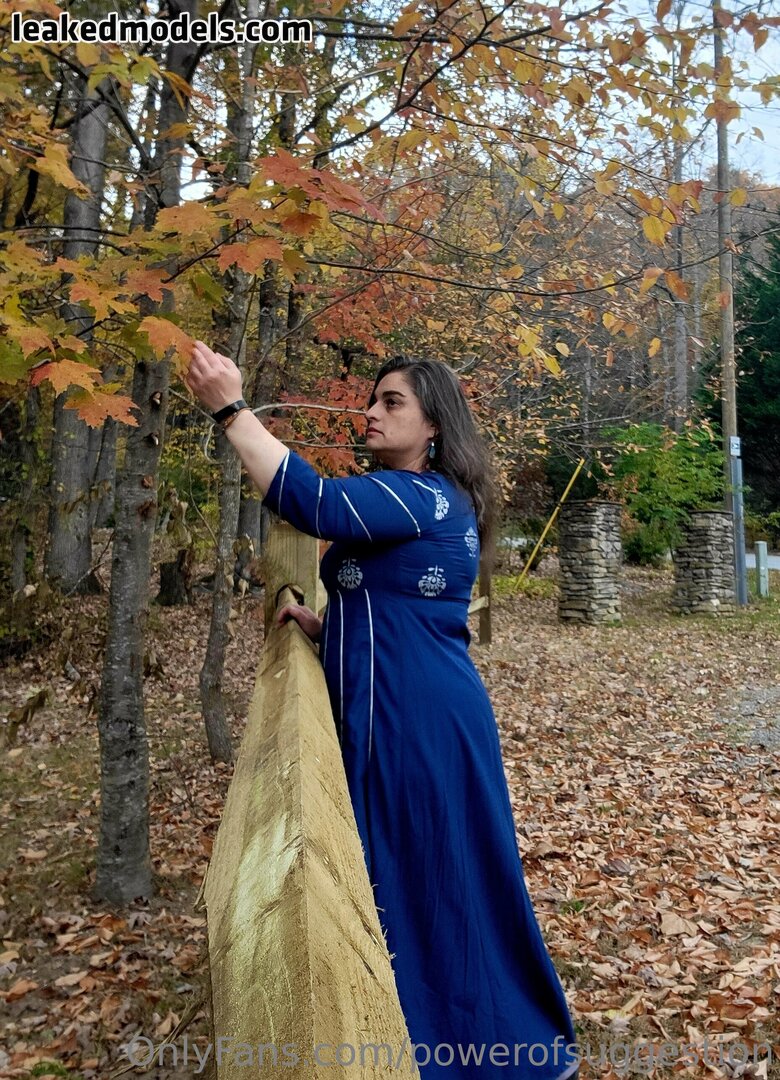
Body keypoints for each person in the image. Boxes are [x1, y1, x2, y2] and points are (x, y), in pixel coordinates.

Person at [185, 340, 579, 1079]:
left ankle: (486, 1055)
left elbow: (313, 503)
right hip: (399, 708)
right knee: (412, 872)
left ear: (434, 426)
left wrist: (231, 408)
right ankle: (422, 1038)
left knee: (438, 877)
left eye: (392, 402)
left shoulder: (421, 494)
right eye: (371, 399)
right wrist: (327, 628)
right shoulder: (415, 497)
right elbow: (393, 600)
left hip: (419, 718)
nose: (371, 412)